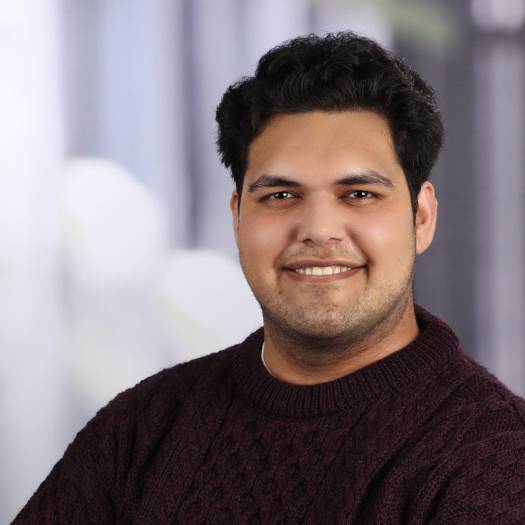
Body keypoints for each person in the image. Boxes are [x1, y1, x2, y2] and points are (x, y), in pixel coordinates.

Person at [14, 32, 525, 524]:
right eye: (281, 196)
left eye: (359, 195)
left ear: (422, 217)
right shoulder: (143, 428)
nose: (318, 229)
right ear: (238, 217)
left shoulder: (495, 459)